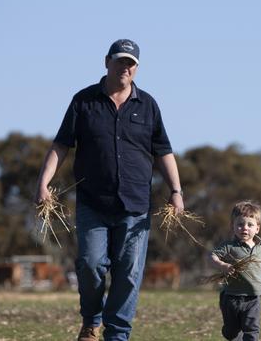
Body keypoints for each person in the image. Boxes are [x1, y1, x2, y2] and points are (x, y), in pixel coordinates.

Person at [34, 39, 184, 341]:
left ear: (137, 68)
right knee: (90, 266)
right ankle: (91, 321)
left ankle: (117, 334)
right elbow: (61, 145)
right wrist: (43, 183)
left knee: (128, 274)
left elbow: (163, 151)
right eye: (120, 61)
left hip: (135, 207)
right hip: (93, 203)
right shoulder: (84, 101)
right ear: (107, 62)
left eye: (131, 63)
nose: (125, 67)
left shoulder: (148, 105)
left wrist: (176, 191)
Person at [210, 200, 261, 341]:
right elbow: (212, 256)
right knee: (231, 332)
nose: (245, 228)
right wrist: (222, 265)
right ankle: (231, 333)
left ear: (257, 228)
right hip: (232, 297)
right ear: (233, 226)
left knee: (252, 329)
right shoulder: (229, 246)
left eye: (250, 225)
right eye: (240, 224)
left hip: (253, 298)